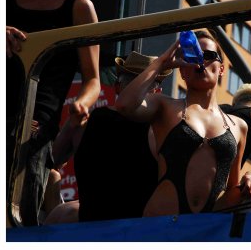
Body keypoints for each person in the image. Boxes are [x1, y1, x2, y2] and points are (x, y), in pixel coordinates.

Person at [115, 30, 251, 216]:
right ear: (182, 70)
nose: (200, 61)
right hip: (161, 226)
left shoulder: (239, 126)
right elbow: (124, 105)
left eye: (208, 55)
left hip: (205, 232)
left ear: (222, 69)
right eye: (192, 55)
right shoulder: (164, 106)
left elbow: (232, 191)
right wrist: (161, 64)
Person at [6, 0, 100, 226]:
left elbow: (93, 79)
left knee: (17, 219)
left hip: (33, 131)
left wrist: (81, 104)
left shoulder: (78, 6)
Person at [44, 51, 172, 224]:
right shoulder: (160, 128)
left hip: (92, 224)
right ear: (157, 91)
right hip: (139, 230)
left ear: (117, 86)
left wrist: (72, 125)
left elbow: (52, 162)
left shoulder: (90, 121)